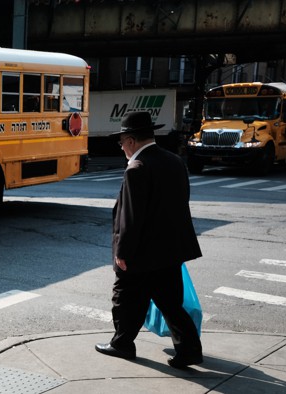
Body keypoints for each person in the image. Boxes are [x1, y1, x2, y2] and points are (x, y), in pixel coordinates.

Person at [95, 111, 204, 369]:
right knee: (169, 302)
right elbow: (179, 204)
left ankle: (122, 344)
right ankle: (188, 349)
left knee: (124, 297)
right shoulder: (175, 161)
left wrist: (122, 252)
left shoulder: (137, 168)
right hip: (171, 248)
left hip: (142, 252)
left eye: (121, 141)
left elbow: (131, 217)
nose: (121, 147)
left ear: (131, 140)